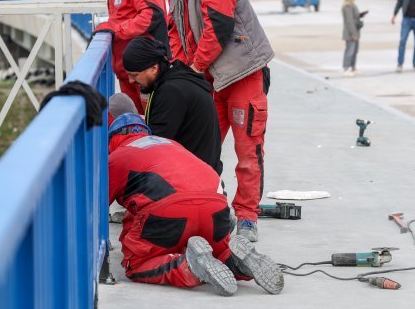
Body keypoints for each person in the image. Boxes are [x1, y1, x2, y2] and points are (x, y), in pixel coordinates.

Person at [152, 0, 274, 243]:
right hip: (210, 78)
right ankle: (207, 207)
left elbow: (217, 27)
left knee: (248, 150)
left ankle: (246, 215)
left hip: (242, 74)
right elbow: (177, 30)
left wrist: (194, 68)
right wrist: (180, 69)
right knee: (200, 148)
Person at [107, 113, 284, 296]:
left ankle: (189, 267)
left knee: (136, 263)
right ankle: (235, 260)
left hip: (171, 211)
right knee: (216, 251)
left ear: (111, 140)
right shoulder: (170, 144)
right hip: (216, 209)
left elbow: (95, 209)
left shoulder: (117, 157)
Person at [81, 0, 169, 112]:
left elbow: (152, 15)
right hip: (128, 74)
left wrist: (114, 29)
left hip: (146, 73)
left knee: (153, 130)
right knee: (134, 130)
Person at [121, 36, 222, 174]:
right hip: (203, 169)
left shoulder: (171, 92)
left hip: (194, 178)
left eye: (134, 75)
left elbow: (156, 144)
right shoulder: (173, 79)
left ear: (154, 68)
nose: (131, 81)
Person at [341, 0, 365, 76]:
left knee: (355, 51)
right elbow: (349, 21)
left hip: (355, 31)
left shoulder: (353, 4)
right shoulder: (347, 5)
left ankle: (353, 67)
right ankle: (346, 68)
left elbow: (354, 18)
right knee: (349, 50)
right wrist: (353, 34)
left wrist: (360, 16)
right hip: (351, 33)